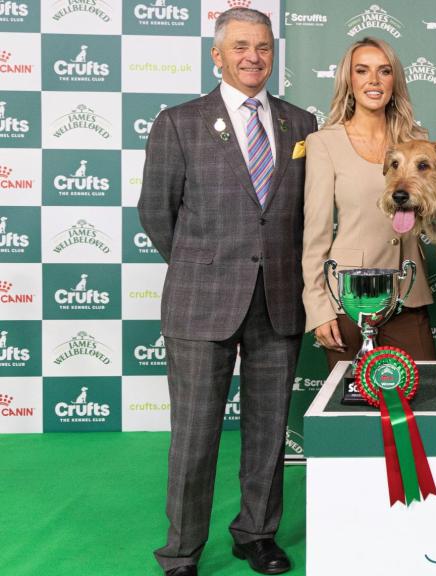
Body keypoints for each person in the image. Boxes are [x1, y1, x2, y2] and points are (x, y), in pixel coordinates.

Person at [138, 8, 317, 576]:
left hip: (280, 299)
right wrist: (207, 265)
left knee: (268, 433)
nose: (253, 57)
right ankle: (182, 552)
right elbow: (156, 213)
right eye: (240, 46)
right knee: (194, 437)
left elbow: (308, 213)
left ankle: (257, 534)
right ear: (217, 55)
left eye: (263, 47)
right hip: (201, 302)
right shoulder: (179, 122)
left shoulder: (301, 124)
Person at [302, 37, 436, 369]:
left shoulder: (418, 143)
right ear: (349, 80)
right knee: (351, 412)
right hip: (348, 299)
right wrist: (318, 308)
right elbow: (315, 234)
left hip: (408, 293)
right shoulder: (323, 143)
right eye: (362, 71)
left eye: (384, 71)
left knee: (419, 408)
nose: (373, 80)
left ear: (395, 81)